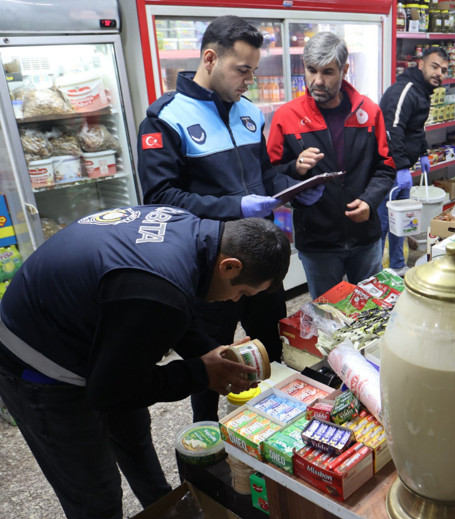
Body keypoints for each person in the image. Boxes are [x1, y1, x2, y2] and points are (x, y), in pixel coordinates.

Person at [0, 206, 291, 519]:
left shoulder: (193, 232)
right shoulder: (157, 285)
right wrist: (200, 374)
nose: (235, 302)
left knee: (134, 440)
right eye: (241, 292)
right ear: (229, 266)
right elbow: (110, 391)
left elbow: (166, 314)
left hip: (89, 334)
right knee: (96, 499)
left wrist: (207, 353)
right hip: (37, 366)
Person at [136, 16, 321, 422]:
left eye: (254, 71)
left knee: (272, 346)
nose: (249, 81)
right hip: (211, 268)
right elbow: (160, 199)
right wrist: (236, 207)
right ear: (210, 59)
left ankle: (275, 424)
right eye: (242, 70)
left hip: (261, 256)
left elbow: (265, 177)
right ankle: (207, 434)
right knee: (211, 361)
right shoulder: (165, 118)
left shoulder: (250, 112)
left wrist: (294, 186)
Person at [267, 31, 396, 299]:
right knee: (326, 314)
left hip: (365, 236)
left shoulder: (369, 112)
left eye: (327, 72)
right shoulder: (286, 117)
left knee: (371, 308)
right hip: (317, 241)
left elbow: (385, 166)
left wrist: (370, 201)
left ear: (344, 70)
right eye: (311, 70)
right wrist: (295, 168)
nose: (317, 81)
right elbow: (270, 175)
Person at [377, 46, 449, 275]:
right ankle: (375, 273)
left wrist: (423, 153)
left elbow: (415, 129)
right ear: (421, 64)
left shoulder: (422, 91)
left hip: (401, 169)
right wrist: (401, 167)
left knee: (401, 223)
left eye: (444, 70)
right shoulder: (405, 90)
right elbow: (392, 129)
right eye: (435, 66)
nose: (439, 73)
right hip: (385, 170)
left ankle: (398, 265)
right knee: (382, 225)